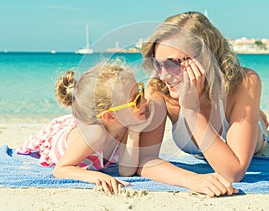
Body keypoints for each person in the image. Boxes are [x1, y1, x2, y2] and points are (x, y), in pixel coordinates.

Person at [138, 11, 269, 197]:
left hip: (258, 138)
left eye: (172, 64)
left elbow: (233, 172)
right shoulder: (159, 89)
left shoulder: (244, 82)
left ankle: (260, 118)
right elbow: (145, 159)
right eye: (157, 64)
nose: (163, 75)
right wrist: (191, 180)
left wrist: (192, 112)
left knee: (259, 126)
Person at [17, 62, 163, 194]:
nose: (145, 101)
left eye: (140, 91)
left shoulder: (123, 124)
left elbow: (126, 171)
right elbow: (60, 169)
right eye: (136, 100)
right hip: (64, 138)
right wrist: (94, 176)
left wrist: (134, 131)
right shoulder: (95, 134)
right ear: (110, 116)